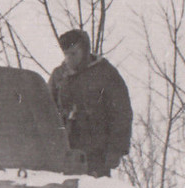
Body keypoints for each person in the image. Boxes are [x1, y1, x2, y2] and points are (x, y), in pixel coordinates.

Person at [47, 29, 132, 177]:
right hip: (65, 152)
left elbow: (121, 114)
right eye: (66, 54)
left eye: (74, 54)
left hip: (96, 154)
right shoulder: (59, 76)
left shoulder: (105, 74)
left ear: (85, 51)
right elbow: (46, 110)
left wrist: (116, 150)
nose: (69, 59)